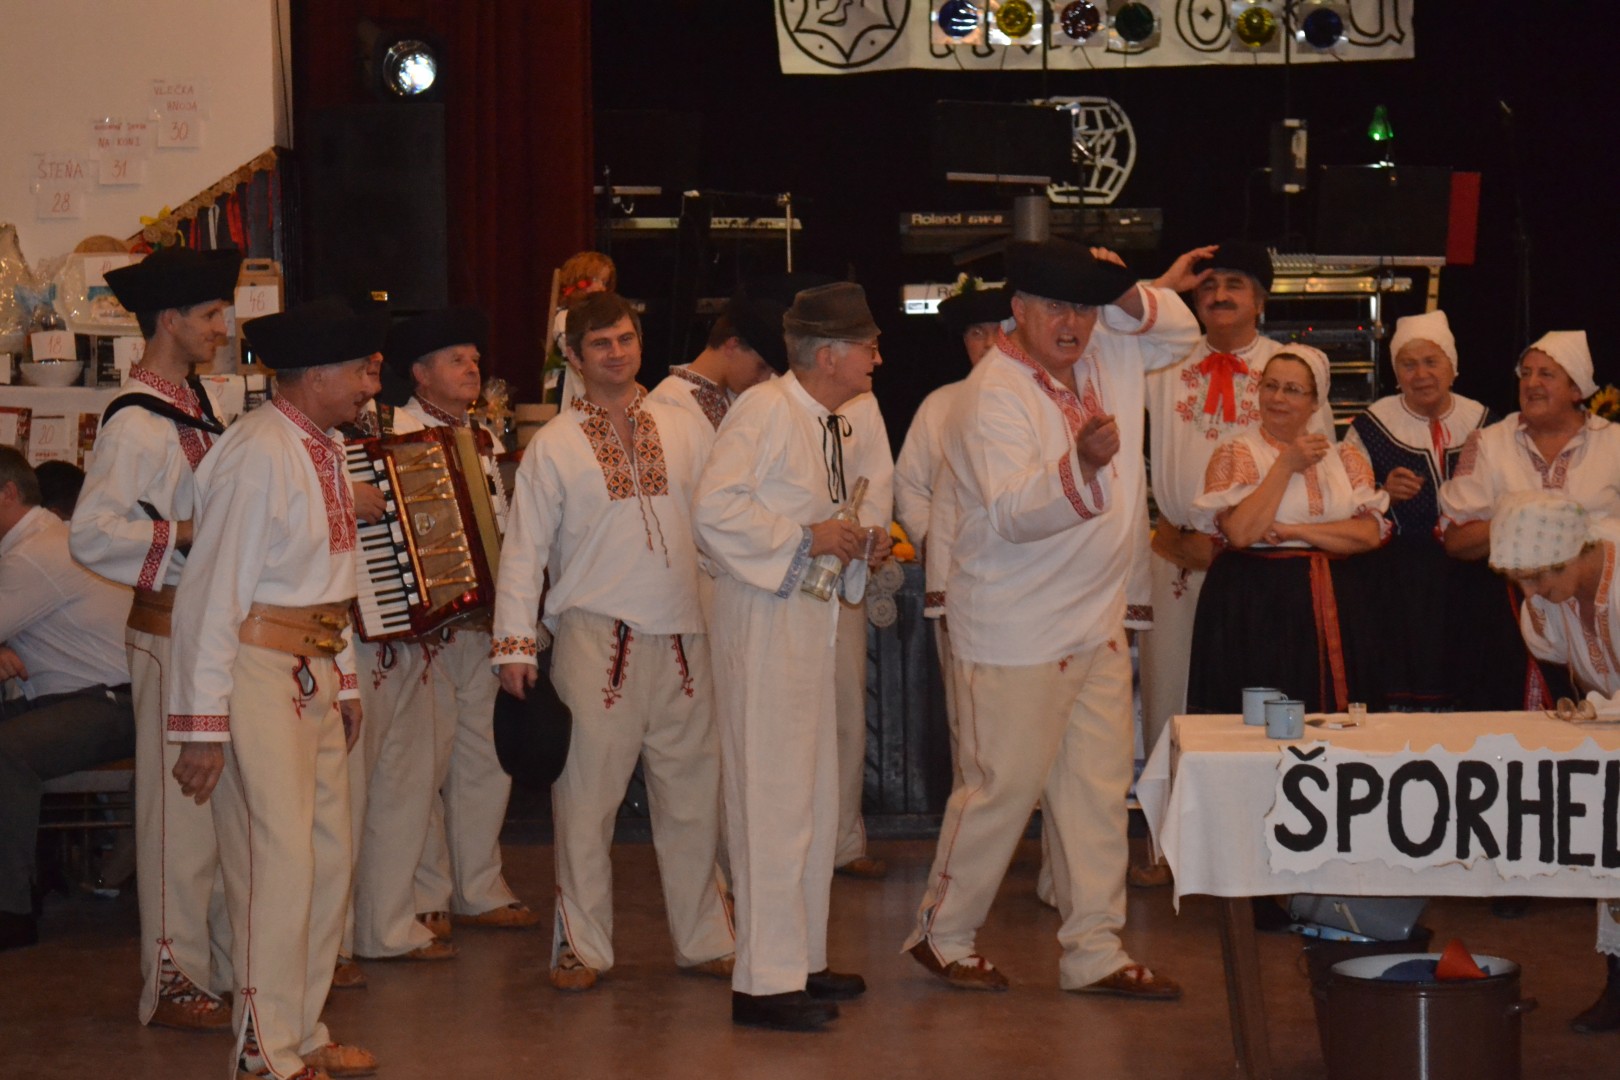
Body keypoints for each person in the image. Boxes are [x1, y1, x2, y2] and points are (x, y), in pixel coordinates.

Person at [901, 239, 1197, 1000]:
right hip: (1014, 625)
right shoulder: (990, 393)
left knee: (1096, 791)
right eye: (1057, 307)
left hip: (1094, 618)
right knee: (1000, 789)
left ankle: (1094, 949)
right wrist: (1083, 465)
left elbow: (1180, 332)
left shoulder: (1106, 352)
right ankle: (941, 933)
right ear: (1020, 311)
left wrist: (1122, 289)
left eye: (1084, 309)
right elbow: (1010, 514)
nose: (1073, 324)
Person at [166, 298, 386, 1080]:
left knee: (326, 857)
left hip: (313, 668)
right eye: (361, 371)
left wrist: (346, 679)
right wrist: (201, 724)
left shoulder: (324, 444)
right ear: (315, 374)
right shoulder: (257, 451)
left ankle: (300, 1029)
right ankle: (262, 1048)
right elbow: (209, 594)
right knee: (277, 860)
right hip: (257, 673)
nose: (370, 386)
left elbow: (333, 577)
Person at [493, 291, 735, 993]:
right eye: (600, 343)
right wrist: (514, 646)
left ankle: (706, 940)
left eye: (626, 339)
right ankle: (582, 947)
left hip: (685, 638)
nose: (617, 353)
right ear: (573, 356)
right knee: (585, 805)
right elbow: (524, 549)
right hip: (596, 641)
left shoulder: (685, 428)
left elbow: (719, 523)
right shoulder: (555, 445)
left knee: (694, 802)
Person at [694, 281, 893, 1030]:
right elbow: (715, 510)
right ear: (829, 355)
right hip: (765, 620)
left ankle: (802, 959)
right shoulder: (764, 410)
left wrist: (859, 543)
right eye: (868, 345)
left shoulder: (831, 421)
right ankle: (763, 982)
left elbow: (832, 513)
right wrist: (808, 537)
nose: (878, 358)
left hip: (810, 618)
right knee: (772, 799)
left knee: (813, 796)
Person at [68, 244, 241, 1031]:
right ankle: (171, 979)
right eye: (211, 314)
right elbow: (92, 533)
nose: (223, 327)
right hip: (169, 631)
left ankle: (219, 966)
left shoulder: (192, 402)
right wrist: (190, 534)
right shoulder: (137, 423)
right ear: (169, 320)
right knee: (178, 813)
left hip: (204, 631)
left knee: (215, 809)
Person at [1141, 242, 1337, 760]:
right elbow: (1113, 337)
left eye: (1234, 285)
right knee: (1167, 697)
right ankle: (1170, 810)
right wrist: (1162, 288)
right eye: (1208, 285)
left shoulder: (1291, 366)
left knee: (1250, 702)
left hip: (1260, 567)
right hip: (1177, 556)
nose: (1219, 295)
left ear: (1260, 300)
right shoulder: (1164, 358)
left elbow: (1320, 467)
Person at [1187, 348, 1390, 714]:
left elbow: (1367, 535)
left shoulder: (1345, 457)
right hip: (1254, 605)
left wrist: (1293, 530)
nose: (1278, 398)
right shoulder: (1237, 453)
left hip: (1336, 602)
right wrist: (1285, 465)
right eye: (1270, 386)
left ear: (1315, 402)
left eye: (1293, 390)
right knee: (1258, 715)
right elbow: (1242, 532)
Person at [1487, 492, 1620, 1033]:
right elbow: (1574, 666)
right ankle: (1619, 987)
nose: (1532, 593)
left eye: (1540, 577)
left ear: (1576, 552)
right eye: (1521, 581)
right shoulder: (1548, 598)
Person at [1438, 330, 1620, 709]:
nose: (1531, 383)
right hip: (1510, 615)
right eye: (1525, 373)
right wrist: (1519, 519)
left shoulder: (1614, 442)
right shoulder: (1488, 442)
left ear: (1576, 389)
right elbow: (1455, 540)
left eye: (1546, 374)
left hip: (1603, 599)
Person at [0, 448, 134, 951]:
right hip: (81, 698)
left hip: (112, 704)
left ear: (8, 493)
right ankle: (32, 875)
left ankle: (11, 911)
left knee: (6, 752)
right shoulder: (42, 542)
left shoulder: (35, 554)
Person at [1341, 311, 1496, 709]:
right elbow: (1345, 499)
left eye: (1431, 362)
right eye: (1408, 365)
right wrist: (1384, 494)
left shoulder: (1483, 422)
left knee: (1469, 680)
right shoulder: (1371, 426)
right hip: (1395, 583)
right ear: (1396, 373)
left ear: (1452, 366)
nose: (1421, 374)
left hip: (1470, 578)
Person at [892, 284, 1010, 776]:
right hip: (960, 584)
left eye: (999, 331)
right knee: (969, 710)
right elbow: (908, 484)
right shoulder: (941, 405)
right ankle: (975, 809)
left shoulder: (1046, 400)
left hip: (1027, 585)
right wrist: (932, 543)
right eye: (976, 334)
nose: (988, 344)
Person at [647, 291, 781, 443]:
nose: (764, 379)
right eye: (761, 367)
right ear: (732, 346)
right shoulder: (669, 400)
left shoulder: (738, 397)